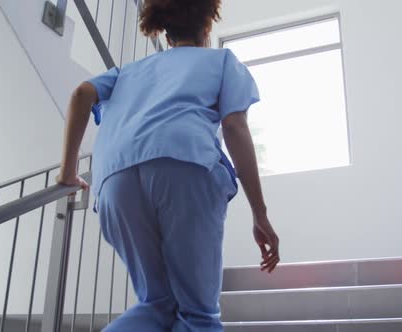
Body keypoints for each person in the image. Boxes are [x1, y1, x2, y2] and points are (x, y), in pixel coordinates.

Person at [56, 0, 279, 330]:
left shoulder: (127, 71)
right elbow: (234, 127)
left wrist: (68, 172)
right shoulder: (222, 61)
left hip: (114, 181)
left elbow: (80, 95)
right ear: (206, 27)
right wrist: (259, 213)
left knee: (156, 304)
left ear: (164, 29)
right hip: (184, 167)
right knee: (198, 314)